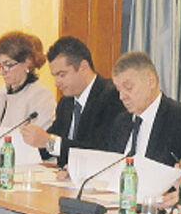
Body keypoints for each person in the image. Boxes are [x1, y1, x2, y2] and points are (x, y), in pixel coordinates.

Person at [105, 52, 181, 181]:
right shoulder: (121, 122)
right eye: (119, 90)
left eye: (128, 88)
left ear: (151, 81)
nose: (122, 97)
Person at [20, 37, 125, 168]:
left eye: (62, 75)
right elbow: (51, 143)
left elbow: (100, 151)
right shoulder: (66, 102)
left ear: (83, 67)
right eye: (55, 76)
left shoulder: (112, 96)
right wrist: (28, 144)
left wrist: (48, 141)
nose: (57, 83)